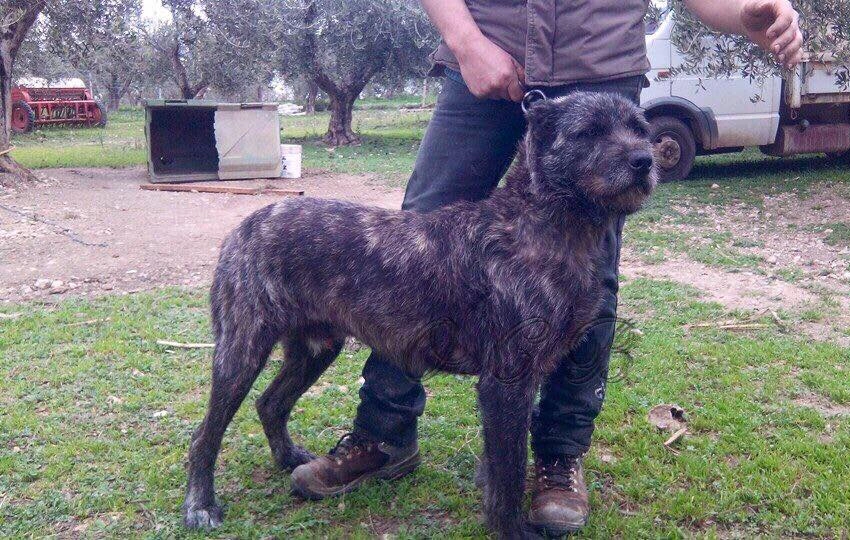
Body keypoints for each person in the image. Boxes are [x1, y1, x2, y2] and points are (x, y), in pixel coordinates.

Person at [292, 0, 803, 534]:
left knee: (590, 278)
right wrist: (466, 43)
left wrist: (744, 11)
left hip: (601, 64)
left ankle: (558, 458)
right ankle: (383, 434)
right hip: (483, 54)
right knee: (410, 247)